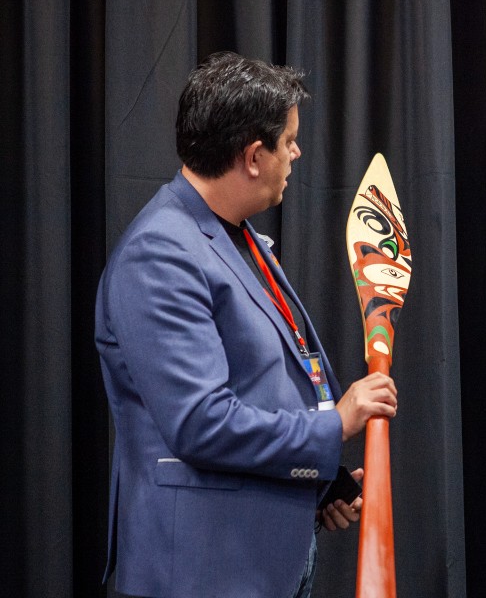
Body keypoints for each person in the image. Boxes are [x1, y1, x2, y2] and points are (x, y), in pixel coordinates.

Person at [95, 51, 398, 598]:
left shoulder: (233, 236)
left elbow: (263, 383)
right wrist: (336, 425)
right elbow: (201, 422)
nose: (296, 153)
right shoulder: (161, 253)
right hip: (204, 571)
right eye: (288, 142)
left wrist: (319, 477)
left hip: (261, 561)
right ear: (254, 156)